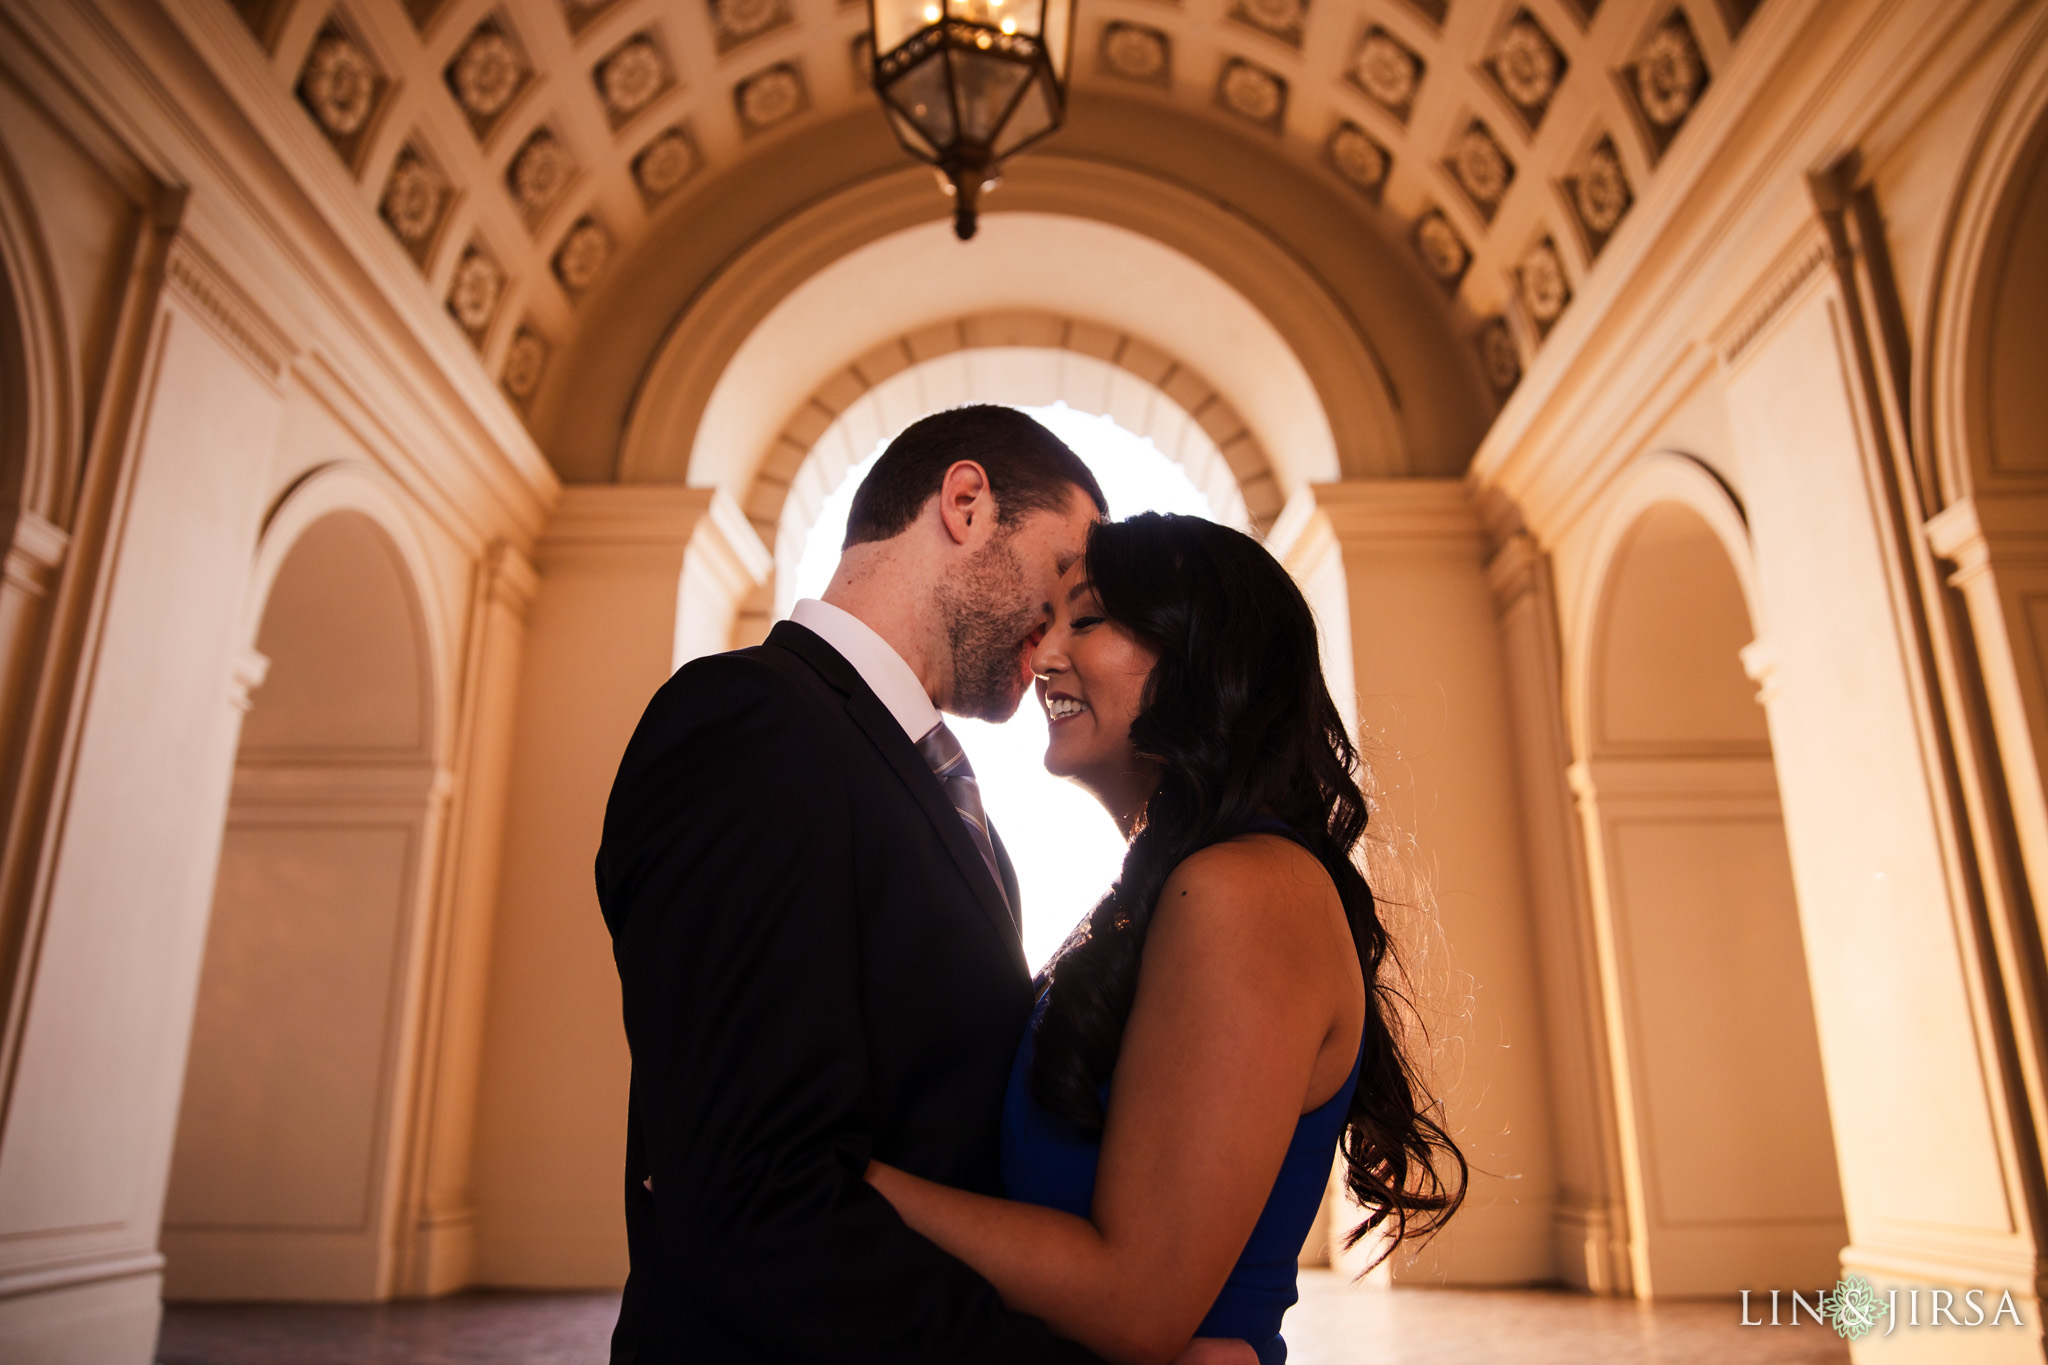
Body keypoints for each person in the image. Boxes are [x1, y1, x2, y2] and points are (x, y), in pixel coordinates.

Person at [862, 512, 1468, 1365]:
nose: (1044, 658)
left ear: (1204, 656)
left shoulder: (1242, 889)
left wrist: (844, 1184)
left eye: (1089, 618)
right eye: (1049, 625)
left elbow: (1135, 1304)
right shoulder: (1169, 890)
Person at [595, 405, 1114, 1363]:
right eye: (1061, 579)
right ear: (966, 502)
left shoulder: (970, 823)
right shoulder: (749, 722)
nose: (1057, 644)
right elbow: (753, 1198)